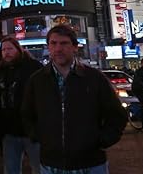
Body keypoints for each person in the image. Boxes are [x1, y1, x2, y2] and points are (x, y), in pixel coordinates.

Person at [22, 25, 127, 174]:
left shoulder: (94, 78)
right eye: (53, 43)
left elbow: (117, 115)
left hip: (91, 164)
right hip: (51, 164)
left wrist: (103, 140)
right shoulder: (37, 80)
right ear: (48, 47)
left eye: (64, 43)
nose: (58, 49)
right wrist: (39, 137)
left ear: (75, 47)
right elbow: (27, 114)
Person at [0, 36, 43, 174]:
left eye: (10, 49)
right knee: (11, 169)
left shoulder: (33, 67)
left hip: (32, 130)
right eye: (3, 50)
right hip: (9, 131)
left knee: (39, 168)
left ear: (18, 49)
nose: (6, 52)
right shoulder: (0, 72)